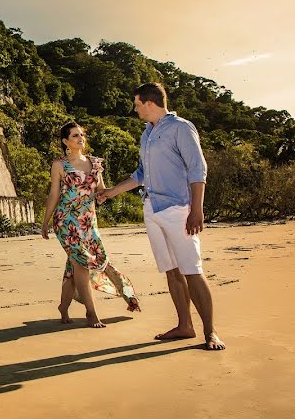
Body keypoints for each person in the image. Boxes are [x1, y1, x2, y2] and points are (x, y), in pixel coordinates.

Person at [99, 83, 225, 350]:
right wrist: (112, 192)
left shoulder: (181, 127)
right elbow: (141, 174)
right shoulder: (147, 133)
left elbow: (197, 169)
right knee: (171, 270)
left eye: (136, 104)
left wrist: (197, 209)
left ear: (149, 102)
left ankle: (211, 332)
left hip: (178, 209)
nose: (135, 109)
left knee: (192, 270)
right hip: (152, 208)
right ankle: (184, 326)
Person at [42, 122, 141, 328]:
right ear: (65, 141)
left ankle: (64, 306)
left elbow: (101, 191)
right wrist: (45, 222)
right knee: (81, 263)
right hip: (66, 221)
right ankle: (91, 312)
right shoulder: (59, 164)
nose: (80, 138)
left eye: (82, 135)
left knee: (75, 265)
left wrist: (110, 193)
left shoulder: (95, 164)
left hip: (88, 222)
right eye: (75, 135)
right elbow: (54, 195)